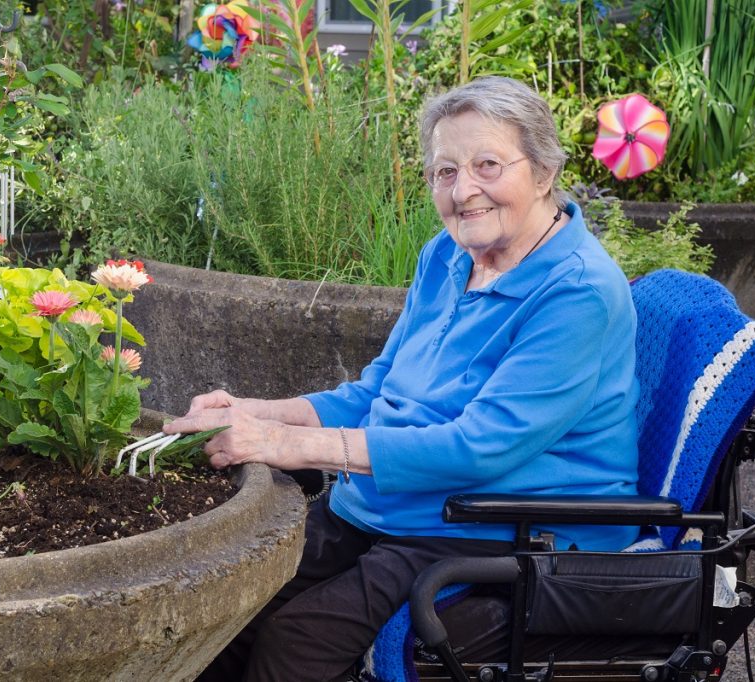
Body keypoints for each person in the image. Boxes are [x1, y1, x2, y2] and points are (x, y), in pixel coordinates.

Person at [164, 76, 641, 681]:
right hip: (392, 506)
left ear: (543, 172)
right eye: (445, 171)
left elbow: (482, 445)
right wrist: (256, 414)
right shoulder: (445, 257)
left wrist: (289, 446)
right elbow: (376, 391)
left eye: (488, 165)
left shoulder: (578, 291)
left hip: (505, 524)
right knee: (227, 610)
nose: (464, 190)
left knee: (298, 642)